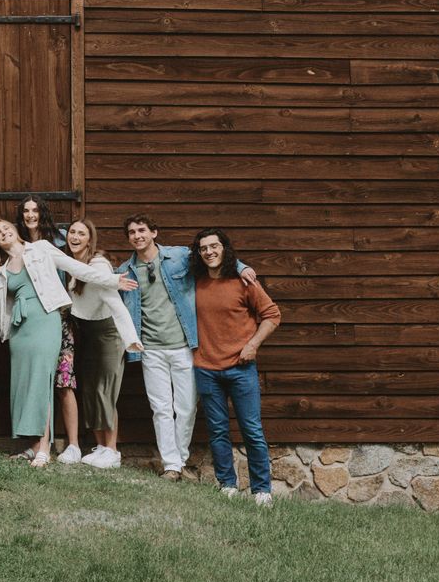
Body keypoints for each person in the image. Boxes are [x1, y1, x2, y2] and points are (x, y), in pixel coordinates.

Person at [0, 218, 138, 467]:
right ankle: (34, 445)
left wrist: (112, 280)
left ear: (16, 232)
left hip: (47, 322)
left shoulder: (41, 249)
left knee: (43, 381)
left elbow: (76, 268)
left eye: (6, 229)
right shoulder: (2, 272)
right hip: (20, 330)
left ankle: (44, 448)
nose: (3, 233)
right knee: (24, 385)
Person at [117, 215, 257, 481]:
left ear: (154, 232)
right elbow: (102, 285)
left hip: (183, 346)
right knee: (160, 407)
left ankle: (179, 458)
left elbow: (213, 256)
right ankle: (171, 464)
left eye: (142, 230)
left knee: (185, 406)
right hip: (151, 349)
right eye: (132, 232)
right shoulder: (126, 271)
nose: (137, 236)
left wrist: (240, 267)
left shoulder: (179, 257)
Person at [191, 229, 283, 504]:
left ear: (225, 248)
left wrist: (253, 344)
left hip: (241, 367)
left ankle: (262, 490)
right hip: (206, 367)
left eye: (214, 246)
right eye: (203, 248)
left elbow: (272, 315)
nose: (209, 252)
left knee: (251, 429)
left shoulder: (244, 281)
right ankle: (227, 485)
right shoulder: (194, 282)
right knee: (218, 430)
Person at [62, 218, 139, 470]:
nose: (74, 237)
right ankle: (100, 447)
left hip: (108, 333)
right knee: (91, 390)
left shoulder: (98, 264)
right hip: (88, 333)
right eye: (72, 232)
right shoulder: (73, 265)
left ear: (89, 239)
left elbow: (114, 301)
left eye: (81, 233)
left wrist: (130, 337)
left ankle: (113, 451)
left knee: (106, 390)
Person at [17, 197, 80, 460]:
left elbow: (78, 263)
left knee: (64, 380)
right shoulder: (18, 243)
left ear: (42, 213)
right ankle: (38, 444)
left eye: (35, 210)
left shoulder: (60, 239)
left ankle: (73, 445)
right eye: (26, 211)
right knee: (37, 381)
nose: (31, 215)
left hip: (60, 317)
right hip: (32, 321)